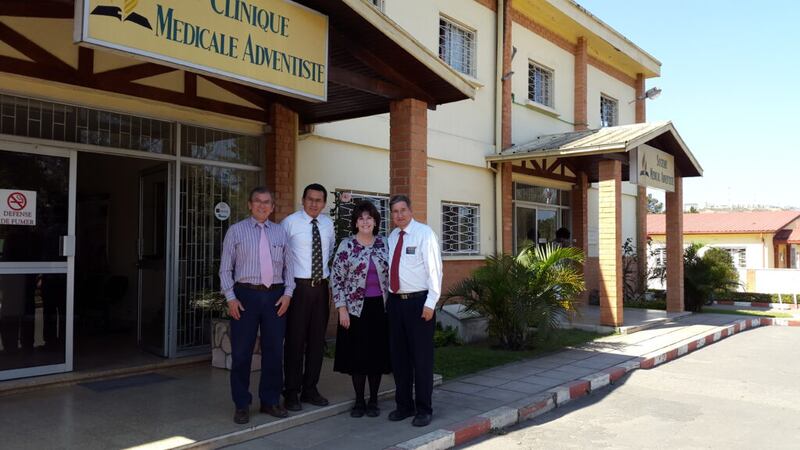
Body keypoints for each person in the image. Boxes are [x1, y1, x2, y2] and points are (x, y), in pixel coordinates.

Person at [219, 187, 294, 424]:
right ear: (250, 205)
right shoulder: (236, 231)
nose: (262, 206)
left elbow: (289, 268)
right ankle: (242, 404)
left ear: (273, 207)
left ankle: (270, 400)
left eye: (267, 202)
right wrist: (230, 297)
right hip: (245, 296)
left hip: (275, 296)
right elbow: (225, 268)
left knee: (274, 352)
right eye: (258, 201)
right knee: (241, 354)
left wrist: (288, 294)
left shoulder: (281, 233)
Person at [386, 194, 442, 427]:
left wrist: (430, 304)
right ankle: (404, 405)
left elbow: (435, 270)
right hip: (396, 303)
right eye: (395, 211)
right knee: (399, 359)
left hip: (419, 304)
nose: (399, 215)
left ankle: (424, 408)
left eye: (402, 210)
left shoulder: (424, 234)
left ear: (410, 210)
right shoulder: (392, 237)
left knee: (421, 360)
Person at [331, 201, 391, 418]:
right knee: (357, 357)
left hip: (380, 309)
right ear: (355, 222)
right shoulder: (347, 245)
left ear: (375, 221)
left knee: (376, 357)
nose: (365, 222)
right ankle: (359, 401)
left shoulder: (385, 244)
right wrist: (341, 308)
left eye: (369, 218)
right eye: (361, 218)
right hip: (355, 310)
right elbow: (336, 278)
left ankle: (374, 400)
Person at [281, 183, 336, 411]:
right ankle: (291, 391)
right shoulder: (289, 223)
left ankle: (310, 388)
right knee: (295, 341)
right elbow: (281, 256)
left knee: (316, 341)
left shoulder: (328, 224)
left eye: (319, 200)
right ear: (302, 200)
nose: (314, 203)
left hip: (320, 287)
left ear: (324, 203)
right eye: (310, 199)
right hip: (298, 288)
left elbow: (330, 250)